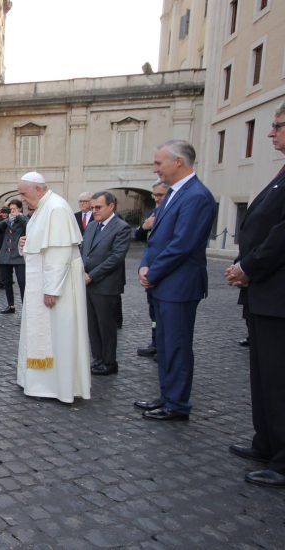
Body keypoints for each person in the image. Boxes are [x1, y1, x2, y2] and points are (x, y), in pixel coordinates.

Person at [224, 101, 285, 488]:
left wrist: (248, 267)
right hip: (266, 294)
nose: (270, 132)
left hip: (277, 294)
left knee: (280, 380)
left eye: (278, 124)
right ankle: (267, 442)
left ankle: (282, 460)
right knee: (264, 377)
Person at [136, 140, 216, 421]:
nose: (155, 168)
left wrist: (152, 272)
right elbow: (156, 237)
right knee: (166, 345)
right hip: (163, 283)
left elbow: (182, 244)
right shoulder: (173, 193)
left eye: (159, 163)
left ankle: (177, 403)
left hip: (178, 285)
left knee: (177, 345)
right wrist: (145, 265)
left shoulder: (196, 196)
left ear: (178, 162)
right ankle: (167, 395)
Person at [16, 172, 90, 403]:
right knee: (45, 333)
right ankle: (39, 382)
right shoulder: (42, 208)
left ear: (38, 189)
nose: (23, 199)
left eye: (24, 194)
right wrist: (23, 245)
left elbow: (59, 254)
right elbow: (39, 246)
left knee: (58, 335)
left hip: (57, 287)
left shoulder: (56, 208)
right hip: (44, 282)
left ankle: (56, 386)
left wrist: (52, 289)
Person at [81, 191, 132, 376]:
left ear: (112, 206)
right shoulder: (92, 226)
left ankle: (109, 362)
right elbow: (84, 251)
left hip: (105, 285)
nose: (94, 210)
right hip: (87, 283)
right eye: (93, 207)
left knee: (106, 326)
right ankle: (98, 359)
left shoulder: (122, 228)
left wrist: (92, 275)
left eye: (98, 207)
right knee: (92, 325)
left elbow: (116, 257)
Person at [134, 181, 168, 359]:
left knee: (164, 315)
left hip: (163, 273)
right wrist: (144, 227)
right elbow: (140, 237)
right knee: (153, 313)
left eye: (160, 195)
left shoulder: (171, 213)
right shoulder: (154, 214)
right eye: (154, 195)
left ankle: (163, 347)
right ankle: (155, 343)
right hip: (150, 271)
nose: (156, 198)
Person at [0, 198, 28, 314]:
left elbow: (28, 227)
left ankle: (25, 308)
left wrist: (19, 216)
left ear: (20, 209)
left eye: (14, 209)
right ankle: (11, 306)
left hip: (19, 256)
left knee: (22, 282)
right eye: (11, 209)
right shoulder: (7, 221)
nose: (12, 211)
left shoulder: (24, 219)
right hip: (6, 256)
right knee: (7, 282)